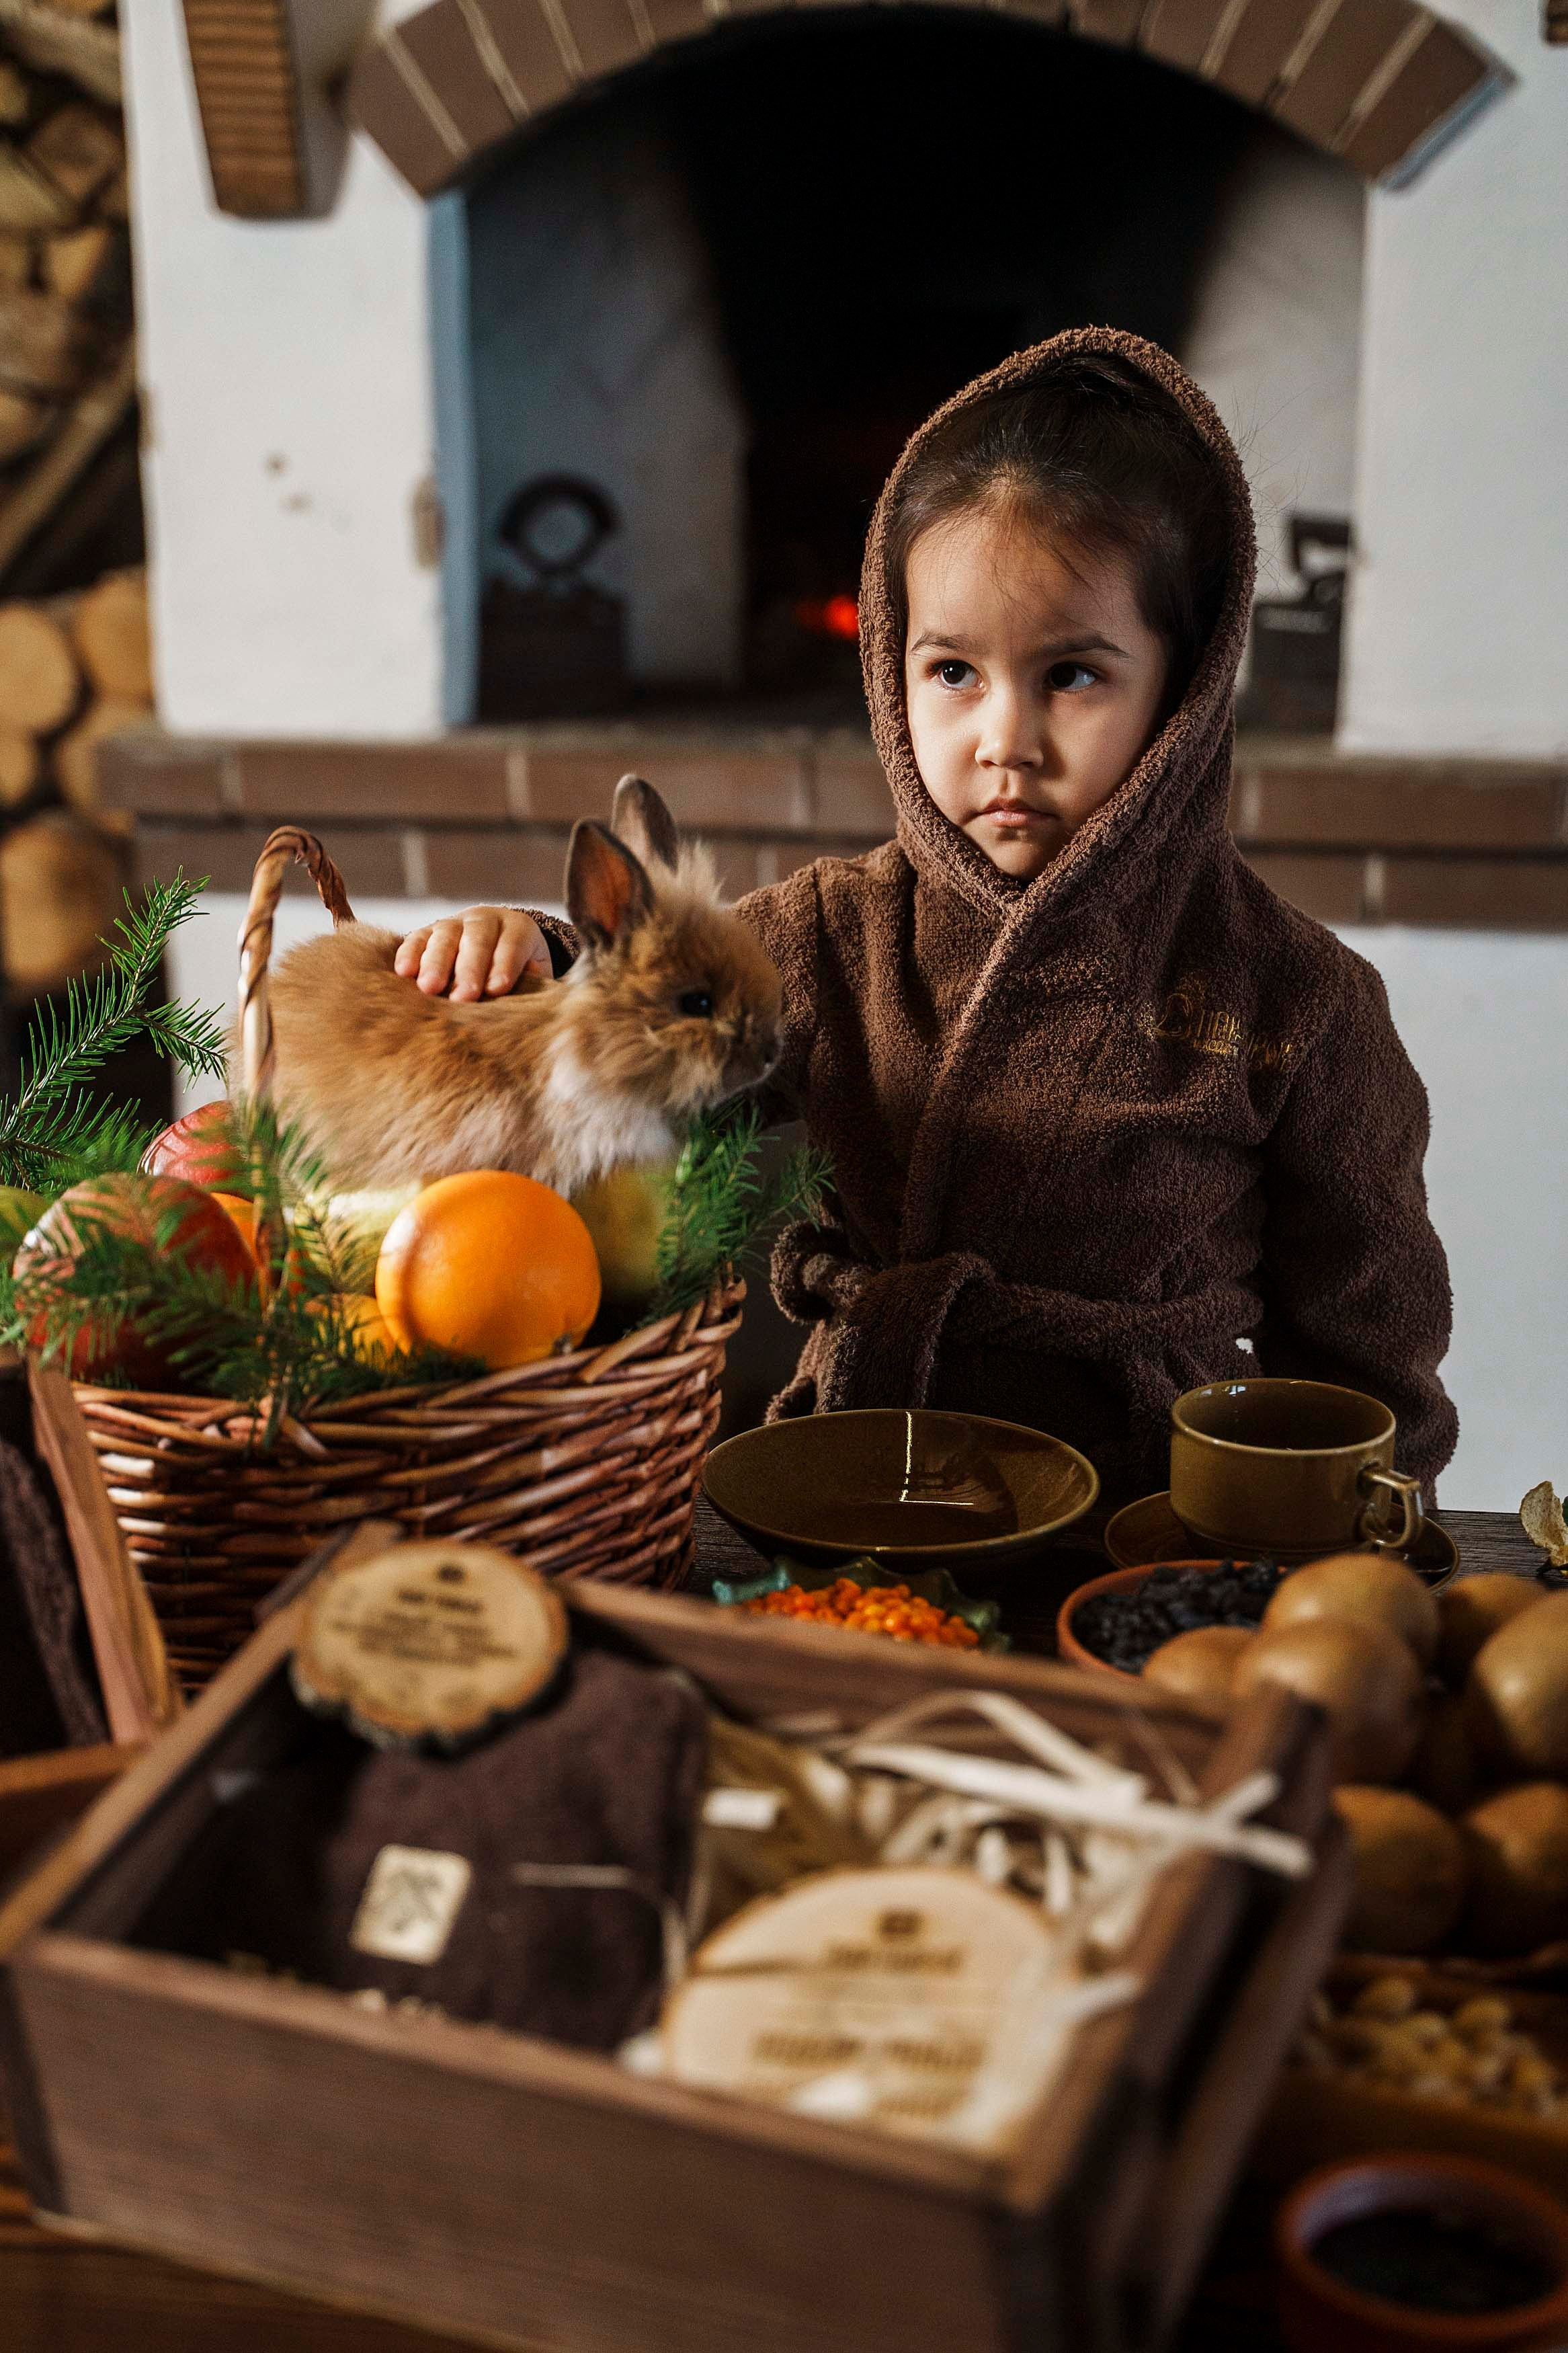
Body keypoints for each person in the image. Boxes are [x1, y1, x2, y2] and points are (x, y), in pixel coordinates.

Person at [395, 329, 1457, 1505]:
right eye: (952, 671)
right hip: (855, 1477)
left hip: (1146, 1519)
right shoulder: (830, 933)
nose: (1004, 738)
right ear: (891, 668)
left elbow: (1369, 1338)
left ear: (1187, 685)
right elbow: (660, 1006)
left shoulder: (1292, 1000)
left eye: (1073, 675)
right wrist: (536, 952)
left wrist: (1363, 1542)